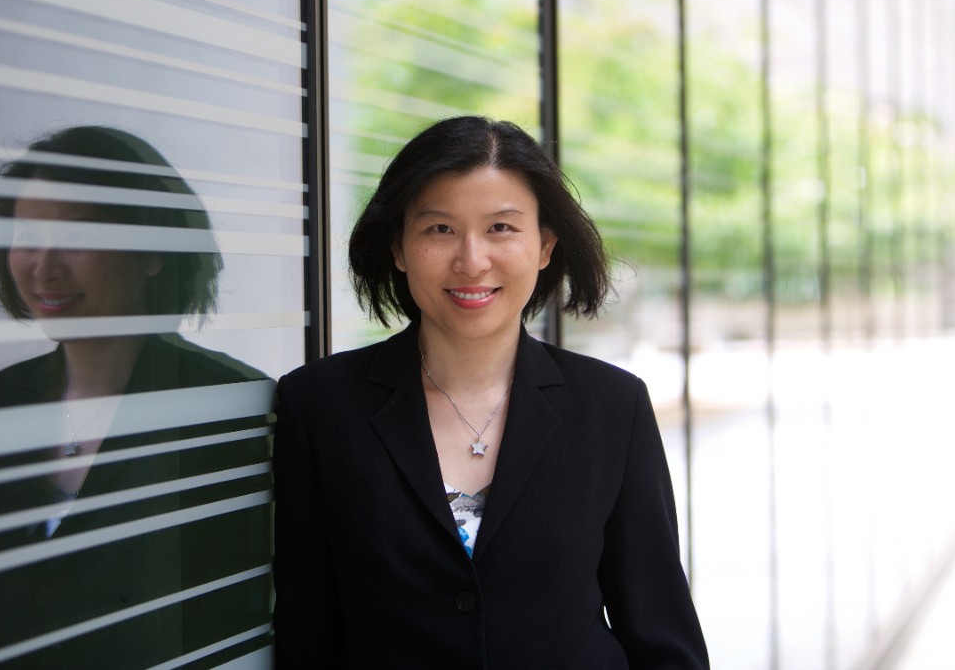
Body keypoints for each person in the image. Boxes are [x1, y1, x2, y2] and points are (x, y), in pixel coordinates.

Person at [273, 116, 709, 668]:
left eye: (501, 228)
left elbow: (660, 633)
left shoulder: (611, 406)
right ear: (399, 248)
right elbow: (305, 633)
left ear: (545, 245)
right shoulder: (320, 406)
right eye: (439, 229)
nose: (472, 260)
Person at [0, 126, 273, 668]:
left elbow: (238, 622)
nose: (45, 266)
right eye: (28, 236)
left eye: (78, 234)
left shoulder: (231, 407)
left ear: (153, 250)